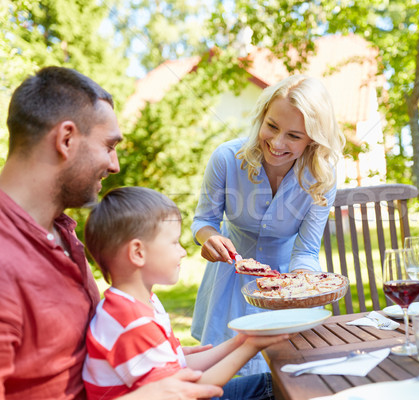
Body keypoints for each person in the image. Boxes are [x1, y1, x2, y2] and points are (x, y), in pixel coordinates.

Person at [0, 66, 222, 399]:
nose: (115, 164)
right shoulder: (6, 258)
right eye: (109, 146)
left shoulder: (62, 232)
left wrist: (171, 359)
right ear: (66, 139)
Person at [191, 74, 345, 374]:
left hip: (288, 286)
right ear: (262, 117)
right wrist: (207, 239)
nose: (276, 143)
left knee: (287, 377)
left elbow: (307, 251)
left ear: (313, 139)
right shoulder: (226, 158)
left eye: (294, 136)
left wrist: (299, 289)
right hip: (229, 283)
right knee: (226, 379)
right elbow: (203, 221)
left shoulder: (322, 177)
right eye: (272, 126)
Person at [82, 186, 287, 399]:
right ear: (138, 252)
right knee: (280, 389)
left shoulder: (143, 302)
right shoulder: (131, 322)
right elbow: (188, 390)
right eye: (174, 242)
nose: (183, 251)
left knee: (276, 384)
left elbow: (178, 366)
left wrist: (240, 341)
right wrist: (251, 347)